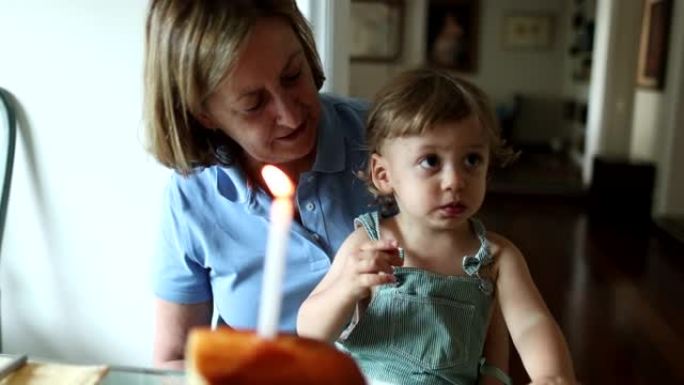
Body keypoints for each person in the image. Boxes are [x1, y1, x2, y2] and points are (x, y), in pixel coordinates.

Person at [143, 0, 508, 371]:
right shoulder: (193, 197)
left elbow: (482, 281)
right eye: (253, 104)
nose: (289, 114)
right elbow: (174, 357)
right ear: (203, 113)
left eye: (292, 76)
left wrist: (494, 374)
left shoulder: (394, 142)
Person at [297, 69, 577, 385]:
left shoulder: (496, 257)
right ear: (384, 175)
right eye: (430, 161)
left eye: (471, 160)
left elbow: (530, 323)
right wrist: (346, 288)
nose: (455, 181)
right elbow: (309, 331)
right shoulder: (368, 242)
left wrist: (552, 375)